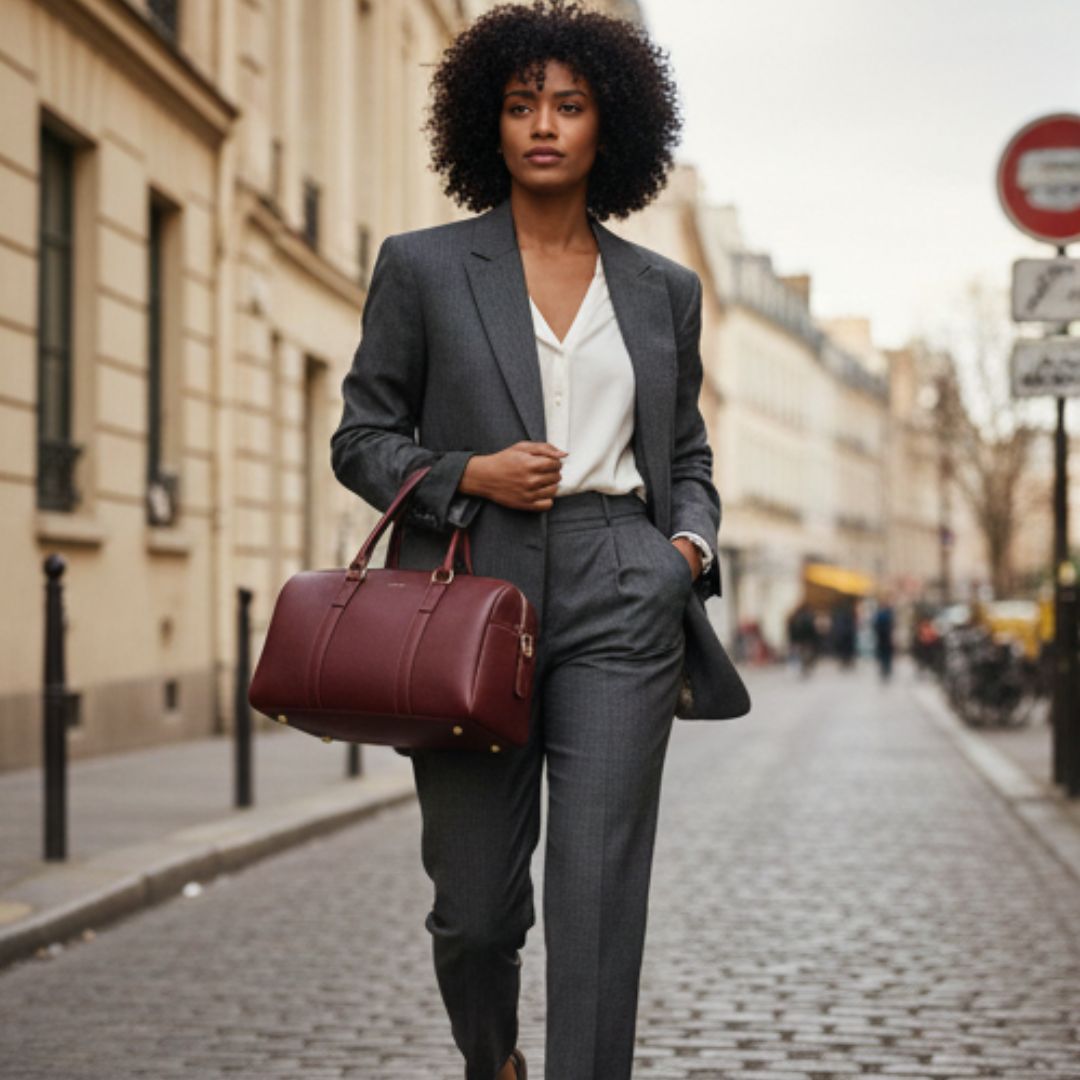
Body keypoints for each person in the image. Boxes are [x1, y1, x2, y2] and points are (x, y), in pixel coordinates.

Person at [330, 4, 747, 1077]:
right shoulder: (422, 267)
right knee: (472, 909)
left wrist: (685, 553)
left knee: (599, 897)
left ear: (614, 126)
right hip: (472, 590)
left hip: (624, 583)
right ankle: (494, 1060)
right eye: (521, 106)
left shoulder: (664, 290)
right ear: (490, 125)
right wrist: (468, 473)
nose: (544, 125)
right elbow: (362, 437)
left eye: (568, 104)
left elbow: (687, 452)